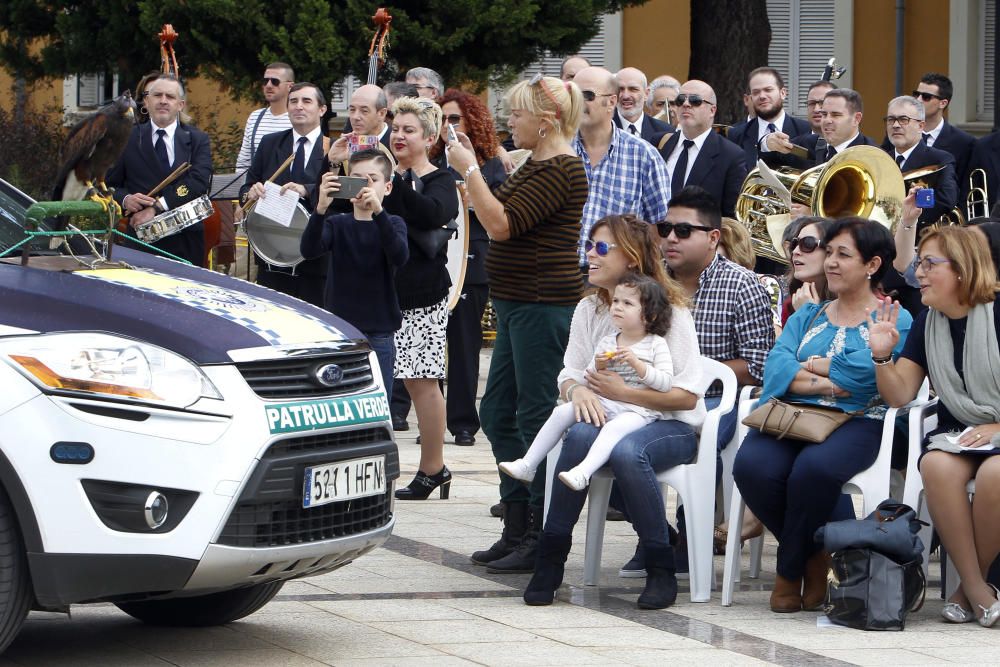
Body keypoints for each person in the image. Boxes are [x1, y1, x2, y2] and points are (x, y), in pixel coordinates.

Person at [521, 213, 704, 608]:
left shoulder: (671, 313)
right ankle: (550, 560)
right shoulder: (589, 309)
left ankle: (660, 563)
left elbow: (686, 396)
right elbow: (570, 372)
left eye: (601, 247)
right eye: (590, 244)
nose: (590, 254)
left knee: (625, 450)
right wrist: (576, 392)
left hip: (669, 425)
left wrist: (625, 392)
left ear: (632, 260)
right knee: (582, 434)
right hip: (611, 412)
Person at [444, 74, 588, 573]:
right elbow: (499, 212)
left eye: (518, 114)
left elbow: (502, 224)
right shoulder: (537, 163)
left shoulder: (562, 170)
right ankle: (517, 519)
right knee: (498, 413)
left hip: (541, 304)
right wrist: (476, 176)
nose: (510, 121)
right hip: (518, 303)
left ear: (546, 122)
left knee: (531, 417)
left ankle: (542, 533)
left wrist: (470, 172)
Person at [733, 217, 913, 614]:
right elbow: (776, 364)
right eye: (828, 252)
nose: (830, 262)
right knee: (751, 466)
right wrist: (825, 380)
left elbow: (866, 375)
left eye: (842, 254)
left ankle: (788, 571)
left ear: (872, 265)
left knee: (812, 472)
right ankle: (815, 557)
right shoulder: (810, 314)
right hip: (794, 413)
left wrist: (807, 365)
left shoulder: (892, 317)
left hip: (860, 419)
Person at [870, 225, 1000, 627]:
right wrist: (881, 356)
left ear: (962, 269)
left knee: (997, 473)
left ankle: (967, 590)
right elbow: (900, 394)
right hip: (958, 434)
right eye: (920, 263)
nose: (918, 274)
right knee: (936, 467)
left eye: (930, 264)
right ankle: (980, 590)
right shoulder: (929, 322)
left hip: (997, 431)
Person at [500, 274, 675, 490]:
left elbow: (665, 383)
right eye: (616, 301)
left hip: (638, 411)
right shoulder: (609, 341)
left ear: (651, 315)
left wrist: (638, 365)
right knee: (560, 412)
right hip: (606, 404)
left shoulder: (655, 344)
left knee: (614, 429)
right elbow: (588, 376)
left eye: (627, 303)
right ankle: (528, 464)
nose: (618, 307)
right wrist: (599, 366)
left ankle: (583, 472)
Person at [378, 96, 459, 501]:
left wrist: (396, 185)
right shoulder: (381, 175)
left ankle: (433, 467)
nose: (399, 136)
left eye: (409, 130)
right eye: (395, 129)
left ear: (429, 138)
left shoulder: (440, 179)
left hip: (423, 293)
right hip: (380, 291)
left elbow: (432, 213)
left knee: (421, 382)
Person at [430, 89, 506, 445]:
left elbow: (499, 207)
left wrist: (470, 188)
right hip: (433, 256)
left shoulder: (490, 162)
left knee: (464, 342)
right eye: (444, 118)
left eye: (456, 118)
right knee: (428, 341)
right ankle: (429, 417)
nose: (449, 125)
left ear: (472, 121)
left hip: (473, 257)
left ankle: (462, 422)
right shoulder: (431, 159)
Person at [300, 149, 408, 394]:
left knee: (379, 398)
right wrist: (319, 209)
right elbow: (308, 250)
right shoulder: (337, 223)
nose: (364, 186)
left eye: (372, 179)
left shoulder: (393, 223)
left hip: (380, 330)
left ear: (387, 188)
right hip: (341, 329)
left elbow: (399, 256)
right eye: (356, 179)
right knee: (339, 397)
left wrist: (378, 212)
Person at [107, 74, 212, 267]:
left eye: (170, 97)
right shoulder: (126, 138)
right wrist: (126, 200)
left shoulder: (198, 139)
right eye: (157, 95)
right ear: (146, 102)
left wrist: (156, 207)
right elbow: (108, 186)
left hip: (186, 242)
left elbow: (199, 183)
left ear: (180, 105)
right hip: (142, 242)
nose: (163, 101)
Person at [239, 83, 329, 307]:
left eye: (306, 101)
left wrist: (307, 189)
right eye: (293, 101)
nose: (299, 106)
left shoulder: (333, 148)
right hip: (272, 253)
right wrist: (250, 192)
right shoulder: (270, 143)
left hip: (316, 259)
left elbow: (341, 195)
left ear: (322, 109)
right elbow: (247, 186)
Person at [573, 66, 671, 266]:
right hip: (560, 276)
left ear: (611, 102)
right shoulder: (557, 150)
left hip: (618, 281)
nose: (579, 103)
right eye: (573, 96)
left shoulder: (644, 155)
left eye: (587, 96)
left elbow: (659, 227)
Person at [658, 80, 747, 217]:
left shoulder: (731, 156)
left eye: (695, 100)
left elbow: (731, 217)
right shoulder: (662, 143)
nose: (686, 104)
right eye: (681, 99)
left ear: (712, 110)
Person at [883, 95, 959, 227]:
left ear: (920, 126)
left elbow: (946, 200)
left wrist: (903, 219)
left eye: (903, 120)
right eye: (891, 119)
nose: (895, 125)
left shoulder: (940, 159)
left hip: (919, 237)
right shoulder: (881, 160)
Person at [763, 88, 874, 171]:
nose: (827, 120)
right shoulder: (807, 143)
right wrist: (767, 142)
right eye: (824, 114)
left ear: (856, 118)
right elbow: (768, 160)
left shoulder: (873, 156)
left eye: (836, 115)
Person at [727, 67, 810, 171]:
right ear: (751, 97)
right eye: (756, 92)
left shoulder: (806, 130)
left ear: (783, 93)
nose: (762, 96)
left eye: (768, 90)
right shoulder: (736, 134)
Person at [235, 63, 294, 172]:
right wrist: (244, 187)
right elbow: (244, 161)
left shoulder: (297, 119)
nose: (268, 85)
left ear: (289, 86)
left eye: (275, 81)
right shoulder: (255, 117)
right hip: (256, 187)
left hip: (288, 187)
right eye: (265, 81)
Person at [780, 217, 834, 325]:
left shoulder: (859, 302)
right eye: (794, 244)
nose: (795, 251)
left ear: (831, 250)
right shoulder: (792, 304)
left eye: (807, 243)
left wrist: (808, 314)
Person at [614, 67, 674, 145]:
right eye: (620, 89)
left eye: (633, 89)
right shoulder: (601, 129)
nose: (626, 96)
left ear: (646, 94)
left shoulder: (665, 132)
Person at [347, 84, 391, 149]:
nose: (355, 117)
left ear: (382, 113)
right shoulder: (346, 144)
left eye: (364, 111)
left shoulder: (396, 144)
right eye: (352, 110)